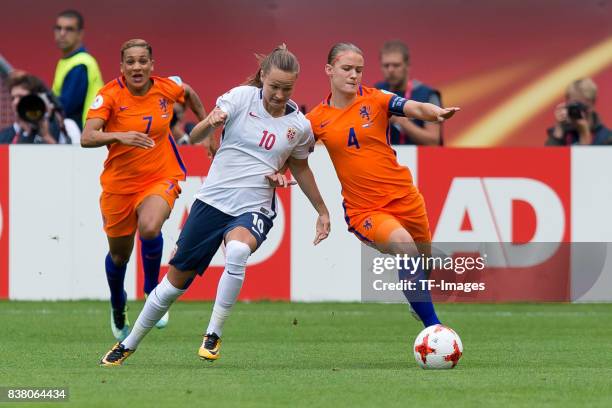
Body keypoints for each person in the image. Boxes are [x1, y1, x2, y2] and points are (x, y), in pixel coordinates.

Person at [99, 44, 330, 366]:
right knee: (172, 285)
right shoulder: (238, 98)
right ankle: (129, 343)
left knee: (237, 251)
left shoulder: (299, 127)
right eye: (274, 86)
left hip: (254, 205)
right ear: (263, 77)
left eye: (286, 88)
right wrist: (210, 121)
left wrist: (321, 210)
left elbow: (301, 167)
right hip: (212, 201)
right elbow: (194, 137)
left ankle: (213, 334)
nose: (278, 94)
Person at [307, 42, 459, 329]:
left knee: (422, 264)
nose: (354, 75)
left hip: (406, 197)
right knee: (405, 247)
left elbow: (411, 106)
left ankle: (419, 300)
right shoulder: (316, 119)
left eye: (359, 70)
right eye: (347, 69)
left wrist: (433, 112)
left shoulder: (377, 98)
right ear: (329, 70)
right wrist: (278, 169)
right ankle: (435, 330)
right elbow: (293, 152)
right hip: (365, 209)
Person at [81, 39, 206, 342]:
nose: (137, 67)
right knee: (119, 256)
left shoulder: (165, 87)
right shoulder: (109, 95)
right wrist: (121, 136)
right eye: (130, 62)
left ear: (152, 64)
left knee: (150, 228)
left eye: (142, 61)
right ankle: (117, 304)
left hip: (160, 176)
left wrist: (207, 127)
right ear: (122, 66)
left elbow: (187, 92)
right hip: (120, 186)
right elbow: (87, 137)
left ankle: (153, 293)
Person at [374, 40, 443, 145]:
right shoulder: (376, 91)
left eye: (396, 65)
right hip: (386, 159)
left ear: (407, 66)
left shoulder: (428, 94)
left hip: (421, 160)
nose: (391, 70)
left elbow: (433, 141)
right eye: (386, 65)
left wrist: (399, 120)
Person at [52, 9, 104, 130]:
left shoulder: (81, 64)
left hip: (84, 139)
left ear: (80, 33)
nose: (62, 33)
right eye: (58, 28)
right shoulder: (68, 61)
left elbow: (66, 109)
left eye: (69, 29)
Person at [0, 72, 80, 144]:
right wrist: (26, 133)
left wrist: (46, 136)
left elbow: (74, 159)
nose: (15, 102)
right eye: (13, 98)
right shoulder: (4, 137)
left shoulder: (66, 127)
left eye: (21, 97)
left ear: (37, 99)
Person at [545, 78, 610, 145]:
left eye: (581, 106)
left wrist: (584, 135)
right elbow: (548, 155)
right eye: (573, 106)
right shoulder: (562, 133)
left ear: (592, 104)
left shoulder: (607, 138)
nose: (577, 110)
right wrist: (559, 129)